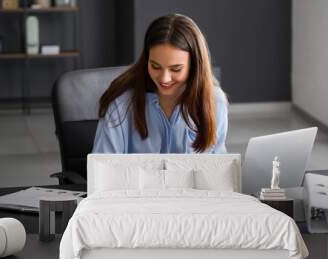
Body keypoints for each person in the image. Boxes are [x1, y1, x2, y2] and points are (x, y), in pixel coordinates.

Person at [92, 14, 228, 154]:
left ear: (194, 66)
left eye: (176, 69)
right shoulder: (121, 103)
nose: (164, 78)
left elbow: (219, 165)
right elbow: (103, 169)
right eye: (155, 66)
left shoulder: (215, 102)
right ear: (147, 60)